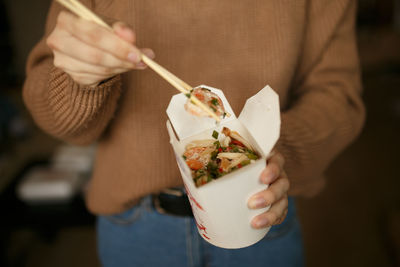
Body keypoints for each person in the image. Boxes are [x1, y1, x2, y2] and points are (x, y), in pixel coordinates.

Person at [23, 0, 365, 266]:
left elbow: (338, 97)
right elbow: (58, 122)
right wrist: (80, 79)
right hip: (136, 226)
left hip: (260, 214)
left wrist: (266, 151)